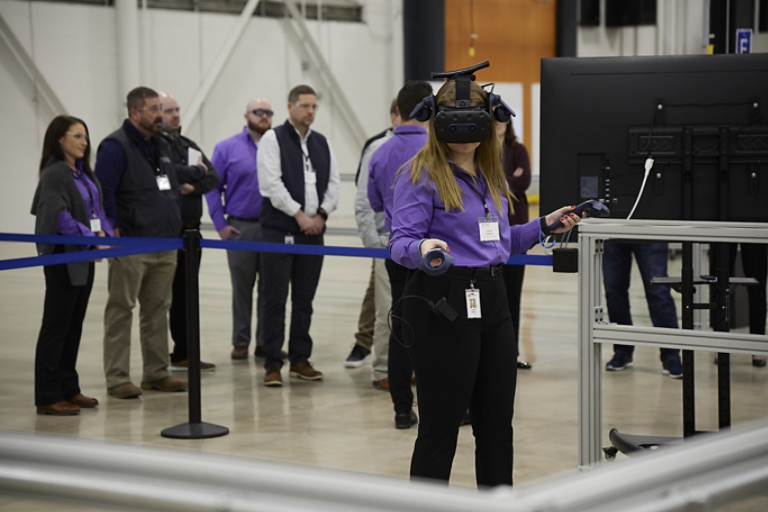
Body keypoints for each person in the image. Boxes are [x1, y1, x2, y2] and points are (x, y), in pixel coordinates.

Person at [388, 78, 581, 486]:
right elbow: (400, 242)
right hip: (444, 303)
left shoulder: (491, 175)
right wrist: (424, 250)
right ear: (436, 122)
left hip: (493, 302)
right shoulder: (419, 175)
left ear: (490, 120)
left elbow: (501, 240)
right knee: (440, 430)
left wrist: (545, 225)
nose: (464, 132)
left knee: (496, 427)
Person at [95, 86, 188, 399]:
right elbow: (103, 192)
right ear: (134, 112)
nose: (160, 115)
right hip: (132, 242)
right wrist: (113, 230)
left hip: (165, 241)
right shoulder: (114, 146)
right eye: (153, 109)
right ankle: (117, 376)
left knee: (158, 309)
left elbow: (171, 187)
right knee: (121, 308)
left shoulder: (161, 144)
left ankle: (156, 373)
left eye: (160, 108)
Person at [257, 85, 341, 386]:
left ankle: (300, 358)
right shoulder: (272, 138)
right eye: (305, 106)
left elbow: (333, 184)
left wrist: (320, 215)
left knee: (305, 299)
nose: (310, 112)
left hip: (313, 232)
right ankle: (272, 363)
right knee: (275, 299)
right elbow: (271, 185)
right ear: (290, 107)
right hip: (279, 230)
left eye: (314, 107)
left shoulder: (322, 143)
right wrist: (300, 215)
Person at [31, 115, 112, 415]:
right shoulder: (54, 174)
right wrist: (91, 237)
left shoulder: (83, 173)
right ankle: (47, 394)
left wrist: (103, 231)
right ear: (59, 139)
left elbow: (97, 208)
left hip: (83, 256)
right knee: (56, 325)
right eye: (76, 136)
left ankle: (68, 387)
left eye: (85, 136)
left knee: (73, 324)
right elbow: (59, 216)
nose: (83, 142)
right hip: (64, 257)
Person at [369, 81, 431, 426]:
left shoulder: (378, 153)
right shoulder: (441, 150)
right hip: (439, 254)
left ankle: (402, 410)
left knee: (402, 327)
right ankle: (450, 406)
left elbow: (376, 203)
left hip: (398, 251)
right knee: (441, 330)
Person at [206, 99, 281, 361]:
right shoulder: (227, 148)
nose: (264, 116)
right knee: (242, 287)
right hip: (241, 228)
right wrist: (221, 225)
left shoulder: (279, 146)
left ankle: (265, 342)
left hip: (273, 228)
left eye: (269, 112)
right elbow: (213, 187)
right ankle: (241, 341)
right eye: (258, 112)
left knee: (271, 288)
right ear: (246, 115)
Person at [159, 93, 220, 372]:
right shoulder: (156, 147)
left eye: (177, 109)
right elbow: (165, 177)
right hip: (168, 233)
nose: (175, 115)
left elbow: (214, 176)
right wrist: (193, 172)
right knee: (165, 296)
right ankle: (164, 357)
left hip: (192, 232)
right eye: (168, 110)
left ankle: (185, 353)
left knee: (188, 295)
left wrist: (193, 184)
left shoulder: (188, 145)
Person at [346, 99, 401, 390]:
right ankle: (382, 370)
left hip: (415, 245)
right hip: (386, 242)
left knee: (409, 309)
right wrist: (375, 245)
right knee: (386, 310)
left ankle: (405, 366)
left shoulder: (430, 143)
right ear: (394, 116)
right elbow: (364, 201)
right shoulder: (377, 148)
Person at [603, 242, 684, 378]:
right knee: (613, 290)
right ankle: (622, 350)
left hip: (649, 228)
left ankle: (671, 355)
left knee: (658, 291)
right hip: (614, 229)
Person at [496, 120, 533, 370]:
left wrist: (497, 181)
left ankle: (513, 352)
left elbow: (524, 181)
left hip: (515, 231)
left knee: (512, 296)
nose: (498, 121)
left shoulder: (517, 150)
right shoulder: (478, 148)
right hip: (487, 236)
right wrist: (509, 180)